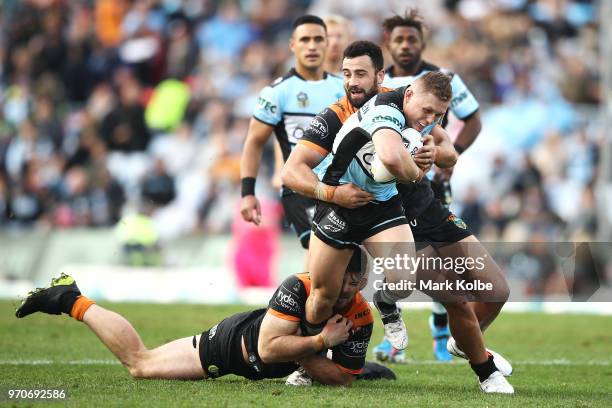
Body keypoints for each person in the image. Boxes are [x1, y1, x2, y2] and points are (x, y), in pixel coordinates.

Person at [282, 41, 514, 394]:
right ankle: (309, 364)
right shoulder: (336, 117)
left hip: (410, 207)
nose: (352, 82)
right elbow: (293, 171)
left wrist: (434, 151)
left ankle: (467, 344)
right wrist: (330, 193)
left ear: (380, 76)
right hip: (348, 206)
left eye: (361, 73)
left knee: (493, 289)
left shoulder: (412, 106)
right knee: (326, 295)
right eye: (346, 74)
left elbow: (448, 153)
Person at [15, 249, 394, 385]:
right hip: (233, 345)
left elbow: (342, 381)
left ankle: (365, 368)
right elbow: (269, 348)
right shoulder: (297, 285)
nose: (345, 288)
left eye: (352, 282)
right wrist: (320, 345)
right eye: (338, 278)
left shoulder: (361, 315)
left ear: (362, 279)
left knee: (347, 372)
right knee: (141, 365)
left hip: (269, 354)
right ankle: (70, 298)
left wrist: (336, 365)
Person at [378, 8, 484, 361]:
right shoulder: (380, 85)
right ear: (388, 44)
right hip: (392, 187)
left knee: (444, 260)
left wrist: (449, 158)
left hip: (432, 185)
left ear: (423, 43)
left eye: (412, 39)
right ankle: (392, 335)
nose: (406, 45)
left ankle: (441, 333)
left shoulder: (444, 79)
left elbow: (472, 121)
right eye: (399, 40)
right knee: (402, 260)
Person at [239, 14, 344, 251]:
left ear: (327, 43)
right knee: (324, 249)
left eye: (318, 39)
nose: (312, 46)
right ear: (292, 45)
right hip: (300, 189)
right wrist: (247, 193)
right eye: (305, 39)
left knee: (345, 272)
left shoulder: (342, 89)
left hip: (339, 186)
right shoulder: (277, 92)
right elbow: (254, 142)